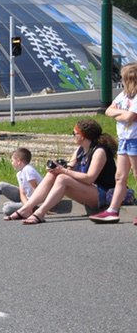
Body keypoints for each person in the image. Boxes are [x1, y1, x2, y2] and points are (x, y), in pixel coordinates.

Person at [9, 118, 117, 224]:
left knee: (62, 178)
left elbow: (90, 178)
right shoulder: (80, 150)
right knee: (52, 175)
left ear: (82, 136)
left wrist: (63, 171)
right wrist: (56, 169)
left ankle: (40, 213)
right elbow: (69, 169)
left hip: (103, 194)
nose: (72, 136)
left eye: (74, 133)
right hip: (87, 190)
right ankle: (26, 209)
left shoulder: (99, 151)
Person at [90, 63, 137, 223]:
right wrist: (123, 113)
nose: (121, 81)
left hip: (135, 139)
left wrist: (121, 115)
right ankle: (112, 210)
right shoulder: (123, 95)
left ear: (129, 79)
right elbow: (108, 110)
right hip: (124, 139)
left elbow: (129, 117)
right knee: (120, 177)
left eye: (123, 78)